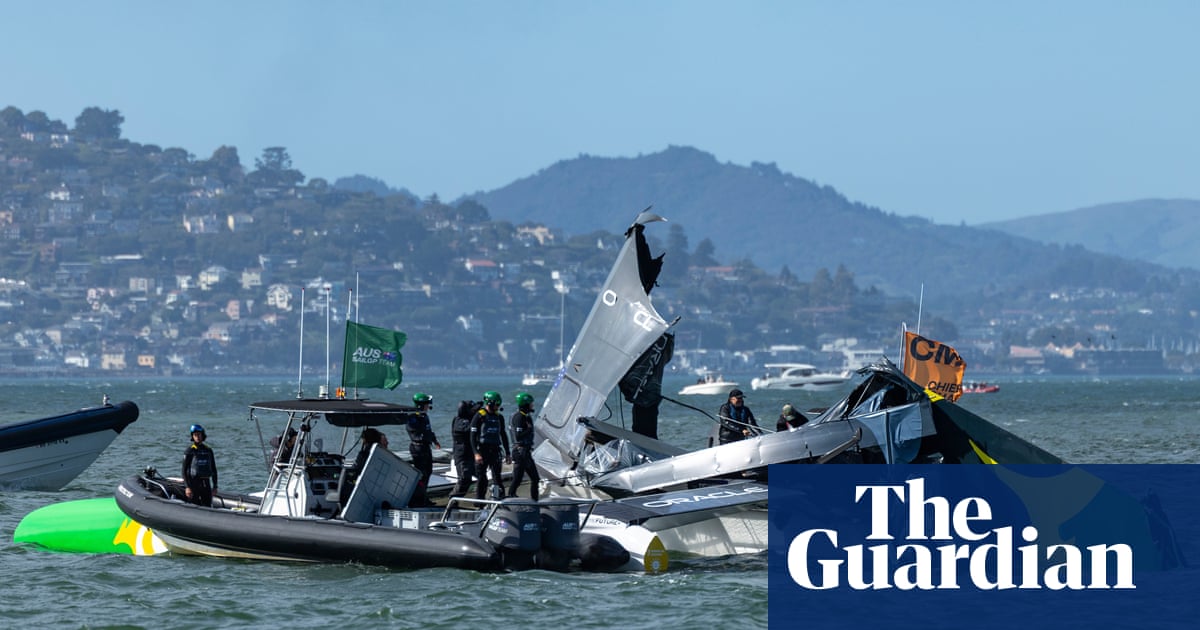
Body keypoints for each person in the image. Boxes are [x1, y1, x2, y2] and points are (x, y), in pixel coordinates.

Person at [470, 390, 511, 500]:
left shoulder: (499, 417)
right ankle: (479, 501)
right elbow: (472, 436)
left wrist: (508, 453)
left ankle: (498, 499)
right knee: (482, 478)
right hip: (482, 450)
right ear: (489, 403)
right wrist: (476, 453)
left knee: (497, 477)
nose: (498, 406)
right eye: (497, 404)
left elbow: (503, 435)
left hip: (495, 450)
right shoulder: (479, 416)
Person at [406, 392, 442, 507]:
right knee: (421, 474)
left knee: (428, 472)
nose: (428, 406)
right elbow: (414, 431)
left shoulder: (425, 416)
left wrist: (435, 440)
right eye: (426, 404)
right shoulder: (412, 417)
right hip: (417, 447)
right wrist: (425, 436)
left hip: (426, 447)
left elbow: (428, 430)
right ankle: (417, 499)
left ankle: (424, 497)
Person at [507, 391, 540, 501]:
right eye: (531, 403)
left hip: (525, 452)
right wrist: (529, 429)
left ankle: (535, 501)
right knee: (519, 478)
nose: (532, 405)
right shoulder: (519, 417)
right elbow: (518, 435)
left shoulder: (525, 416)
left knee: (534, 478)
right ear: (526, 404)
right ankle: (511, 496)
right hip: (520, 452)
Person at [182, 423, 218, 507]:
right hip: (193, 484)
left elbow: (213, 469)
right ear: (192, 436)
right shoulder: (189, 451)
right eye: (195, 435)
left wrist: (215, 486)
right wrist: (187, 487)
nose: (197, 437)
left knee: (207, 505)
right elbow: (184, 470)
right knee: (194, 505)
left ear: (202, 435)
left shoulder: (208, 450)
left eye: (199, 434)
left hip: (206, 483)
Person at [450, 400, 480, 497]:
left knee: (481, 476)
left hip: (471, 453)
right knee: (464, 478)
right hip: (462, 455)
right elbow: (469, 429)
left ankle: (479, 498)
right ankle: (453, 499)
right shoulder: (459, 421)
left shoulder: (470, 419)